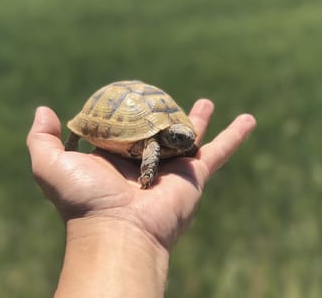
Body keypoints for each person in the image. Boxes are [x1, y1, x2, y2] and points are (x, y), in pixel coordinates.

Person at [26, 98, 256, 298]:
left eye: (186, 138)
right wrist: (148, 173)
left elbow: (186, 141)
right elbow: (153, 144)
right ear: (167, 134)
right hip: (125, 122)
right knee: (153, 146)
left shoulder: (178, 137)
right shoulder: (153, 142)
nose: (185, 143)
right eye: (177, 138)